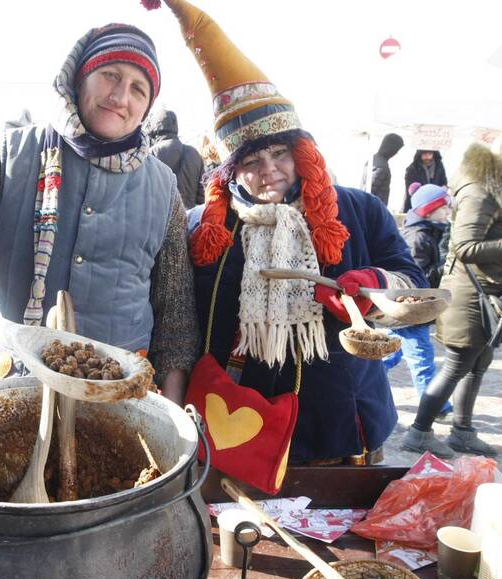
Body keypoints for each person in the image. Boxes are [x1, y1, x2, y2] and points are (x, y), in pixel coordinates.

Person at [150, 0, 425, 464]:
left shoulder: (357, 210)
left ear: (301, 151)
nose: (270, 171)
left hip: (340, 425)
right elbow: (177, 319)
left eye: (280, 154)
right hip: (236, 426)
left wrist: (377, 287)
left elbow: (415, 286)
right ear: (231, 172)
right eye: (252, 163)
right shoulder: (204, 226)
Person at [0, 22, 198, 401]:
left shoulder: (163, 186)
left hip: (117, 398)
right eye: (110, 75)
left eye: (138, 89)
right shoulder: (11, 154)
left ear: (147, 106)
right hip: (10, 388)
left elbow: (174, 307)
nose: (121, 96)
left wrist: (174, 410)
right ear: (78, 78)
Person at [401, 129, 502, 458]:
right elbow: (466, 246)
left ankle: (462, 431)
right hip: (470, 295)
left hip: (490, 294)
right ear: (499, 154)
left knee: (478, 365)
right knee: (456, 367)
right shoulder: (481, 190)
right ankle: (418, 433)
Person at [384, 183, 453, 416]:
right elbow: (416, 280)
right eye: (443, 208)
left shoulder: (428, 233)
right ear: (428, 210)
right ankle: (436, 406)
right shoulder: (417, 237)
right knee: (423, 361)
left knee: (391, 353)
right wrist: (446, 264)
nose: (447, 212)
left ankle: (365, 380)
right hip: (413, 311)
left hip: (411, 313)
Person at [146, 107, 205, 209]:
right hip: (190, 219)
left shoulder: (150, 155)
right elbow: (202, 195)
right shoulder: (193, 153)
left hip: (162, 220)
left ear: (154, 128)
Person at [369, 133, 404, 207]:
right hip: (375, 207)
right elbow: (371, 190)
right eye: (396, 150)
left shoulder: (373, 159)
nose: (396, 153)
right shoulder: (381, 166)